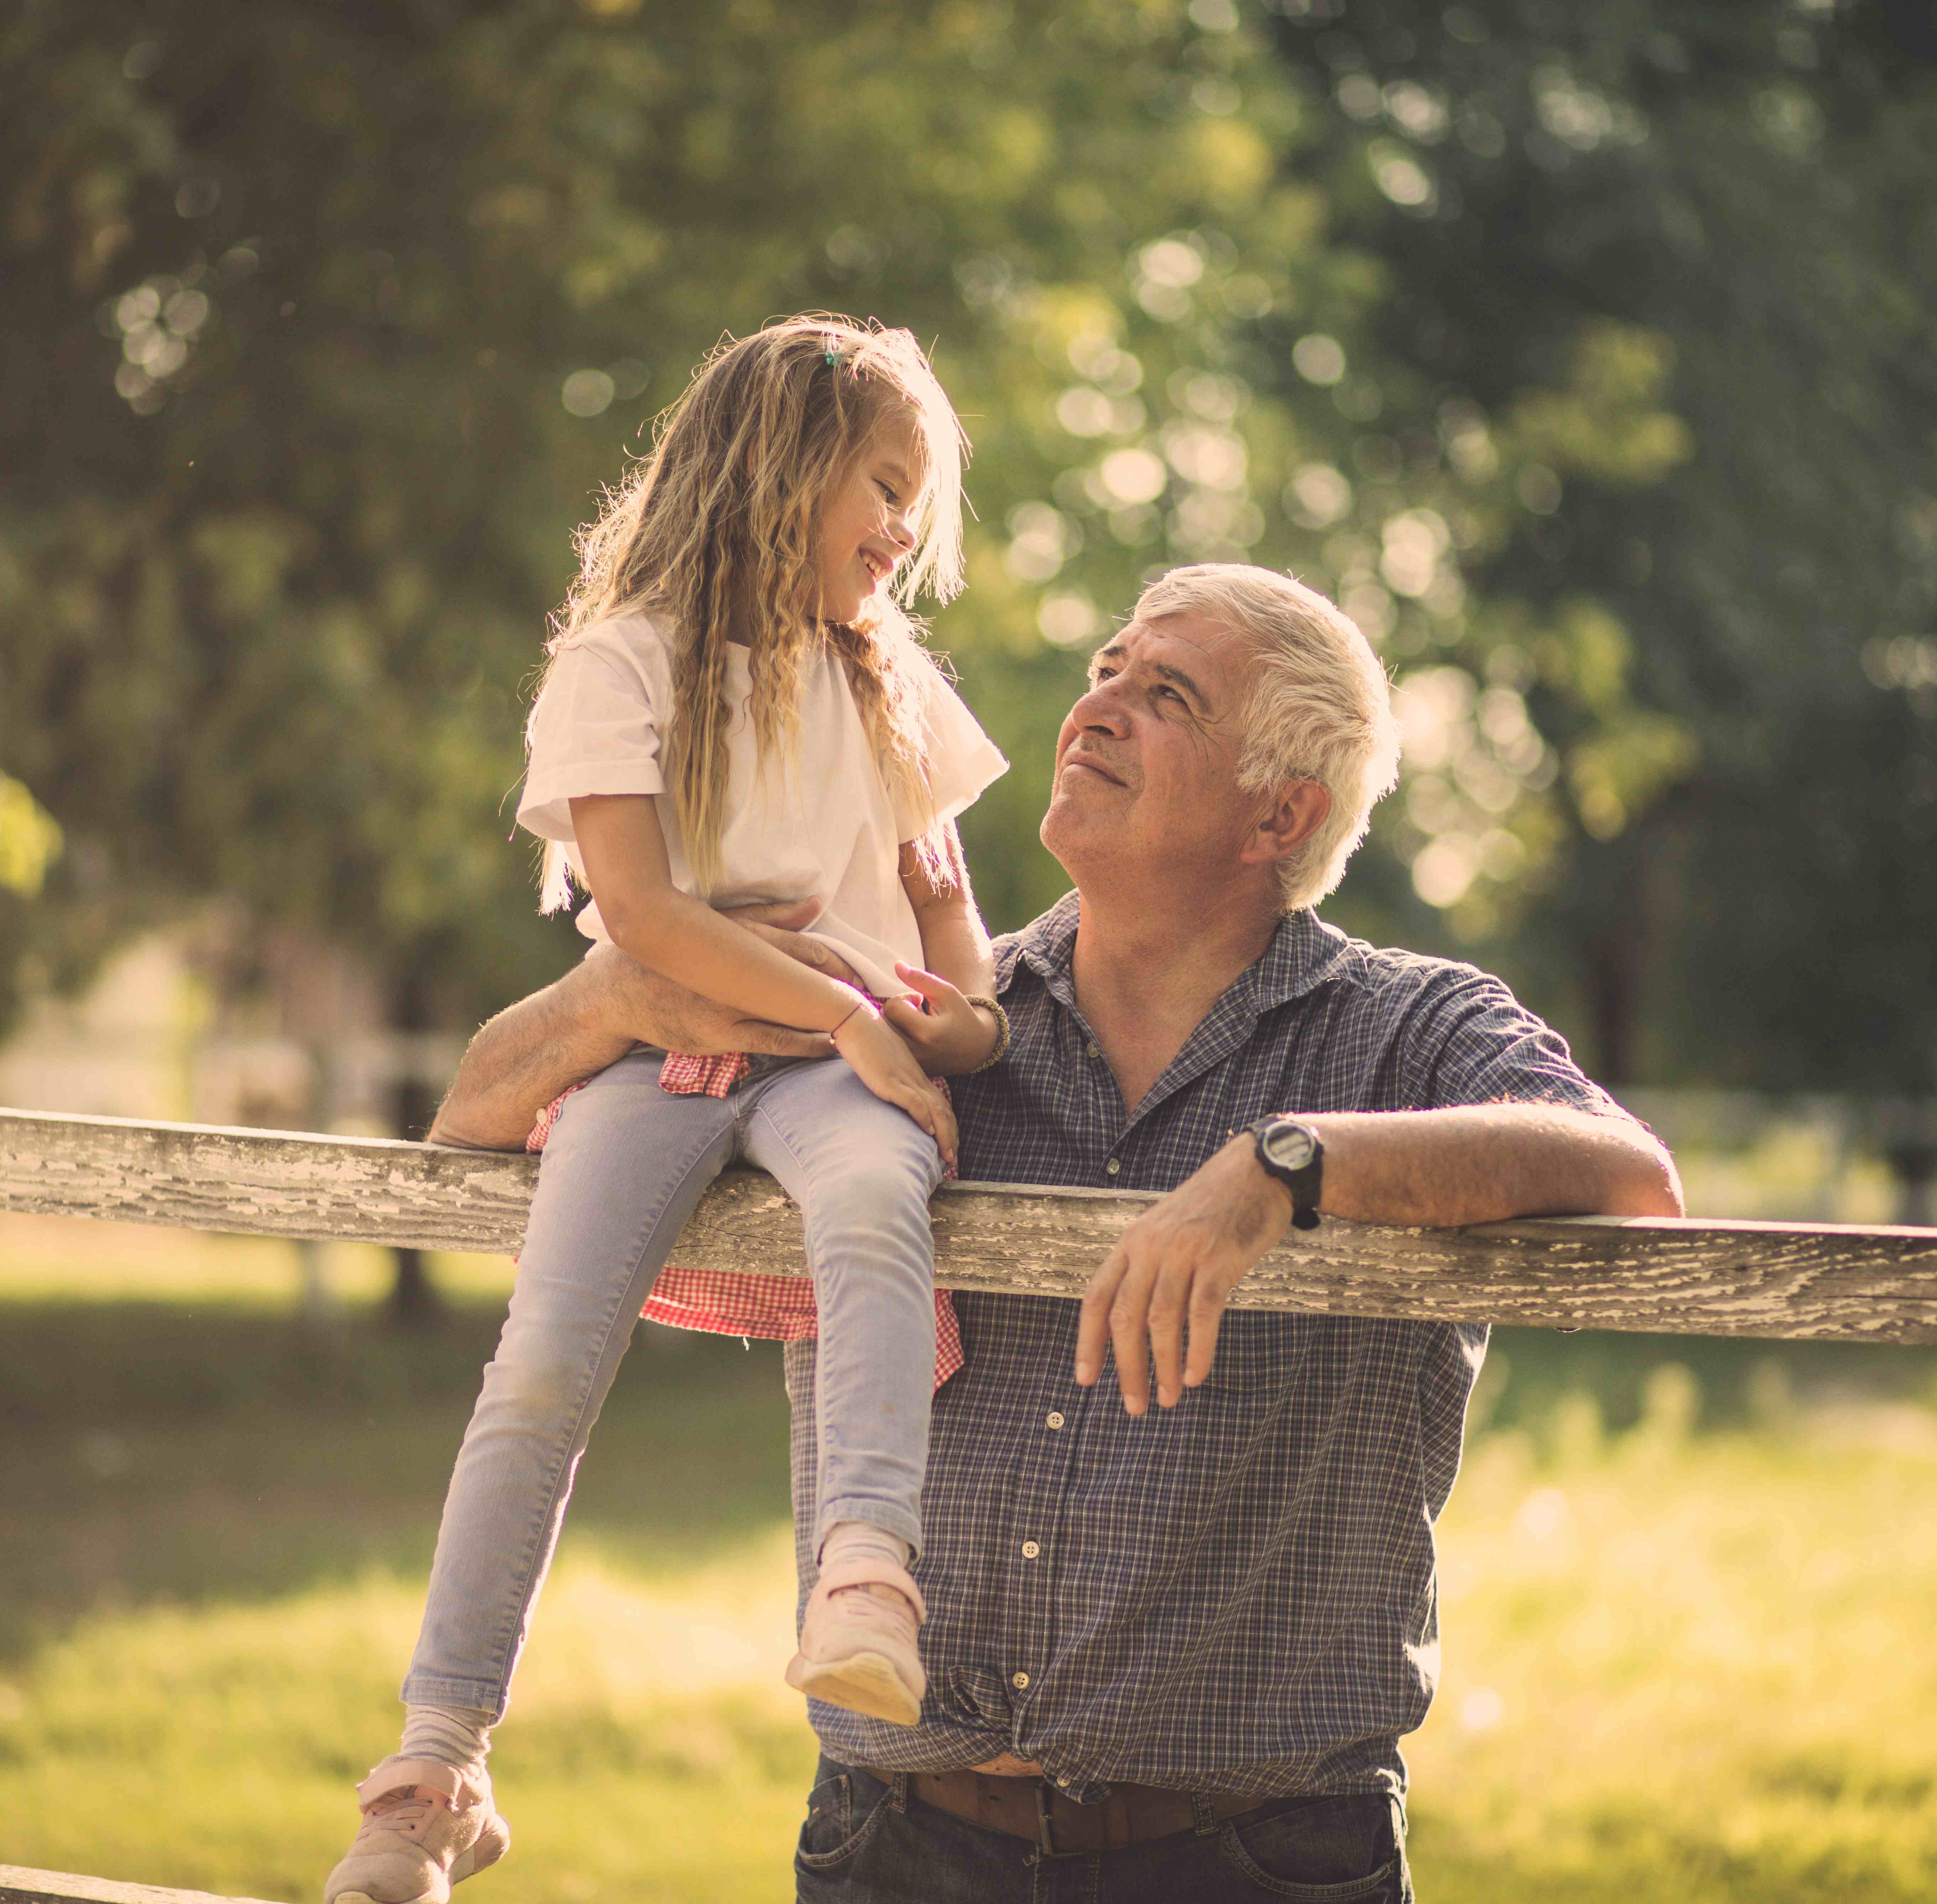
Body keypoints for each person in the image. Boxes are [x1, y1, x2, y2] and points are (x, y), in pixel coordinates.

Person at [424, 563, 1683, 1902]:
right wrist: (618, 989)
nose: (1099, 708)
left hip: (1258, 1864)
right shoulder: (920, 1018)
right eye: (1107, 670)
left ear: (1281, 813)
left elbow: (1626, 1171)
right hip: (892, 1842)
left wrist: (1286, 1164)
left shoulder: (1403, 1029)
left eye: (1168, 696)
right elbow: (474, 1122)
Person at [322, 316, 1012, 1904]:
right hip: (666, 1053)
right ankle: (435, 1766)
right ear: (778, 465)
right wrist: (844, 1000)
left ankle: (864, 1572)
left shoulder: (888, 682)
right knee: (544, 1359)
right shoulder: (623, 661)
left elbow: (957, 953)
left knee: (868, 1209)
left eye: (921, 498)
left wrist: (945, 1019)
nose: (907, 530)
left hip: (852, 1074)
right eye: (886, 485)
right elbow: (637, 912)